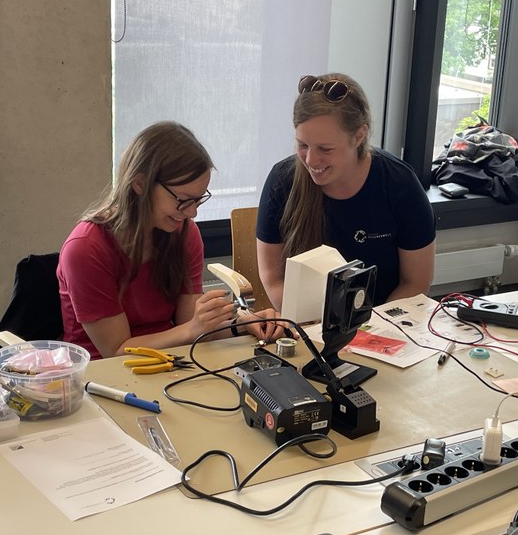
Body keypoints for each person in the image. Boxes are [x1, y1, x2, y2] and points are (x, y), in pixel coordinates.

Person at [58, 121, 282, 360]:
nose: (192, 212)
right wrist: (192, 329)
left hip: (169, 361)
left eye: (198, 200)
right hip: (102, 375)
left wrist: (242, 324)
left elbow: (191, 326)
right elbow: (115, 350)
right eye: (184, 199)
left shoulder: (183, 233)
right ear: (140, 184)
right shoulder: (86, 249)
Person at [256, 73, 436, 310]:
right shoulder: (282, 181)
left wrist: (368, 331)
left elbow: (416, 282)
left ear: (359, 136)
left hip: (382, 325)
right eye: (302, 145)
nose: (311, 160)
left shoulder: (399, 184)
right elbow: (273, 279)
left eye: (326, 148)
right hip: (307, 323)